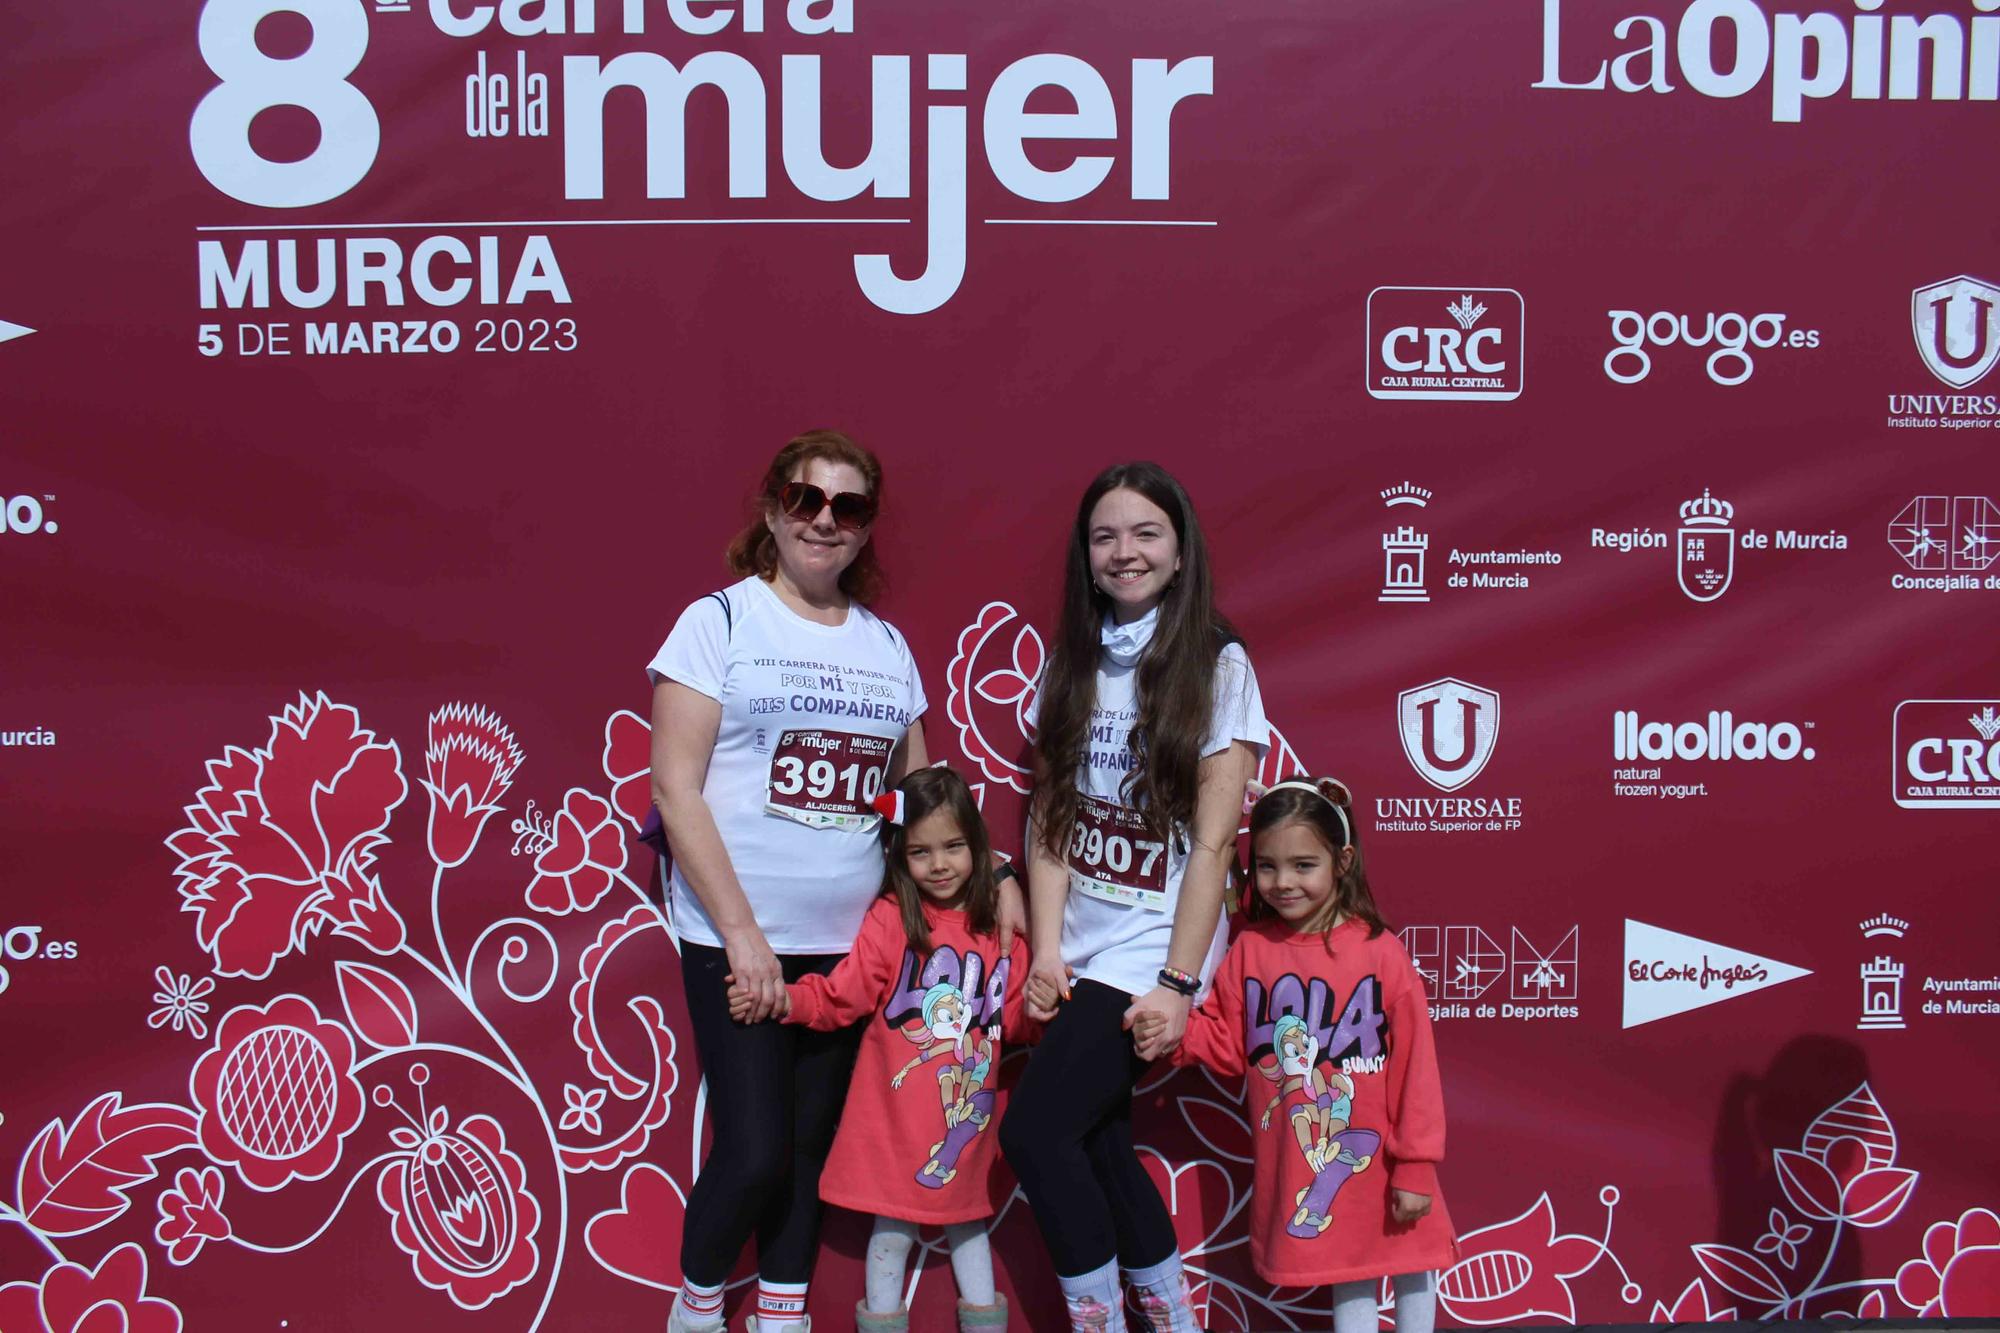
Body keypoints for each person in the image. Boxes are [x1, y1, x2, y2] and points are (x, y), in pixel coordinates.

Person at [652, 430, 984, 1333]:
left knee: (808, 1151)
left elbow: (922, 806)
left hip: (853, 947)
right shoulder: (717, 623)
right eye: (806, 499)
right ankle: (695, 1310)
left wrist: (958, 919)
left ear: (866, 528)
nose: (825, 520)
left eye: (849, 507)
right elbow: (675, 792)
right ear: (772, 510)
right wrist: (744, 935)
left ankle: (785, 1314)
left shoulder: (885, 644)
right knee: (754, 1150)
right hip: (737, 939)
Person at [999, 461, 1267, 1333]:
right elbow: (1051, 822)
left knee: (1035, 1135)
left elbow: (1217, 843)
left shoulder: (1219, 665)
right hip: (1078, 948)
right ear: (1086, 555)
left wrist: (1178, 983)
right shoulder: (1072, 663)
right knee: (1099, 1142)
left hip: (1152, 950)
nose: (1126, 552)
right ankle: (1174, 1321)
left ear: (1181, 551)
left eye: (1146, 533)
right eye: (1105, 536)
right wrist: (1045, 948)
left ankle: (1099, 1321)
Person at [1139, 778, 1457, 1333]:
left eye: (1303, 865)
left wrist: (1415, 1166)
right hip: (1310, 1159)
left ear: (1343, 860)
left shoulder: (1382, 952)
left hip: (1384, 1165)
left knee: (1411, 1262)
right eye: (1266, 866)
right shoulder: (1250, 951)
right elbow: (1227, 1044)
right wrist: (1167, 1033)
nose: (1282, 882)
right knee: (1347, 1272)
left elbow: (1417, 1072)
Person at [730, 767, 1029, 1332]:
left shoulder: (1002, 928)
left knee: (969, 1229)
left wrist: (1043, 1008)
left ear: (978, 845)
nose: (939, 864)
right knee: (890, 1236)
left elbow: (1011, 1020)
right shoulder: (893, 918)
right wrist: (781, 1001)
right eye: (920, 851)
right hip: (894, 1131)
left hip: (963, 1128)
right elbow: (844, 995)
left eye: (954, 847)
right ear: (899, 855)